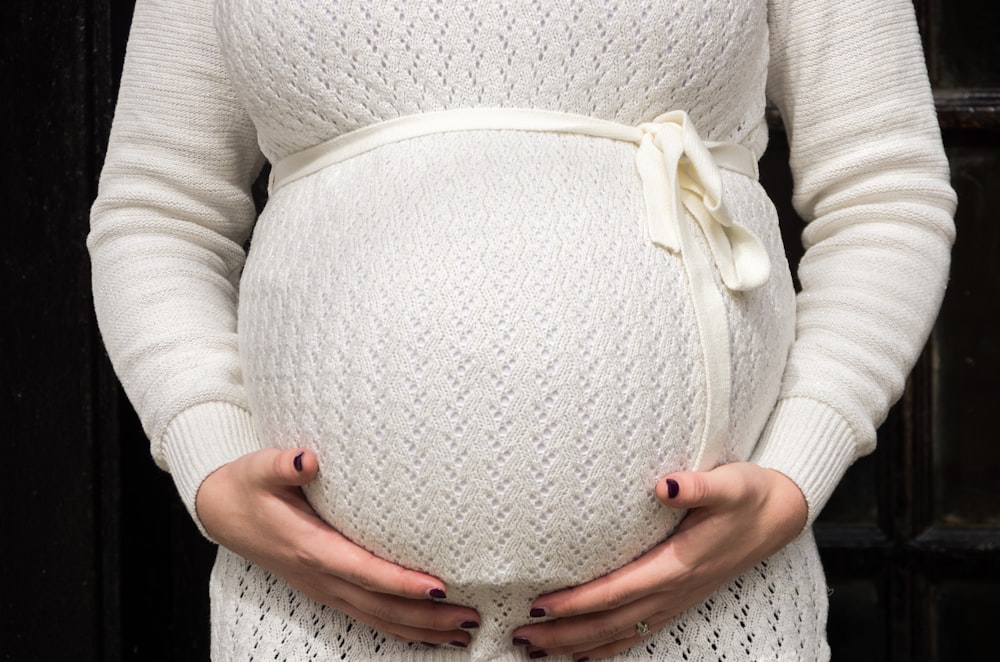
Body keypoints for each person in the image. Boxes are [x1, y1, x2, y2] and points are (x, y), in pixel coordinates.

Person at [88, 0, 956, 660]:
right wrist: (207, 455)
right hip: (308, 619)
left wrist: (794, 473)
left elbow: (885, 188)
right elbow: (160, 210)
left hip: (712, 612)